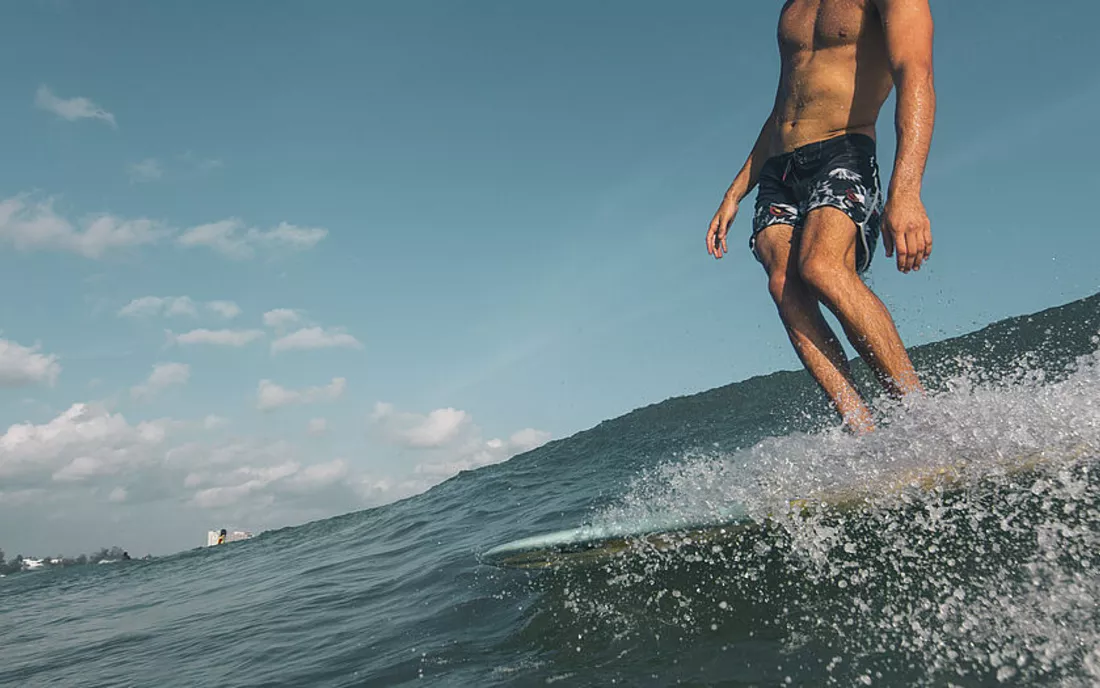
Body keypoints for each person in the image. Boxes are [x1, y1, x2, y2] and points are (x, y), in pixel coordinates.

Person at [706, 0, 935, 433]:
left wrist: (906, 193)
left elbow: (916, 74)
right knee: (783, 283)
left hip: (843, 148)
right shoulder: (792, 10)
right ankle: (860, 427)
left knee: (822, 266)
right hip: (781, 166)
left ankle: (921, 419)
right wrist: (734, 192)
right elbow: (782, 111)